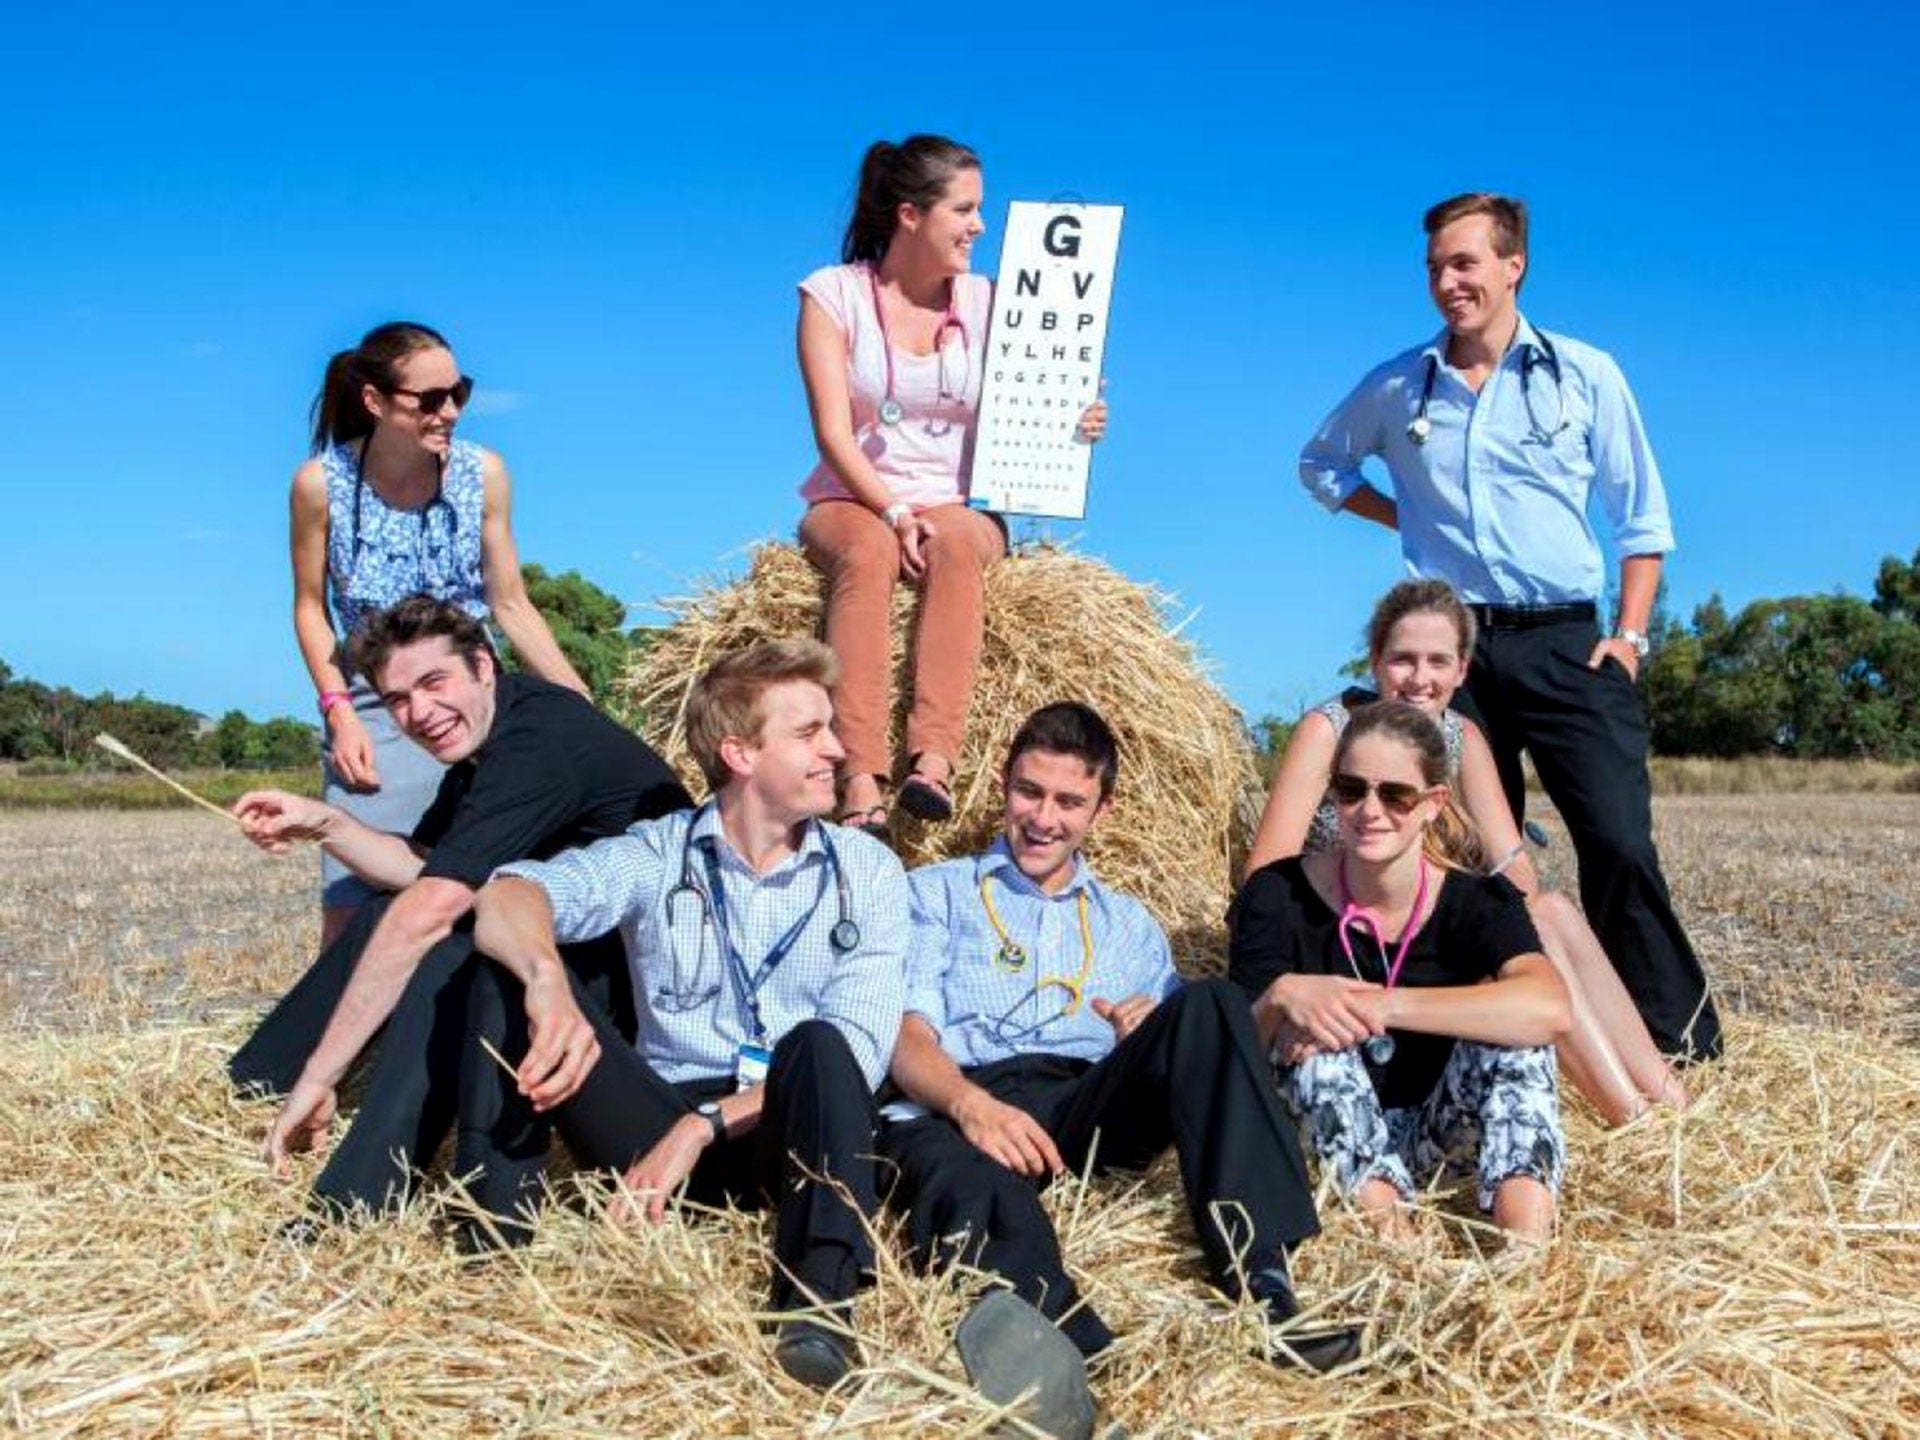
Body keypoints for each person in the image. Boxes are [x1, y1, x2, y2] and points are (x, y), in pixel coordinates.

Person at [467, 640, 1088, 1408]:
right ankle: (492, 1234)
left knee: (839, 1059)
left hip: (793, 1125)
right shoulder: (659, 853)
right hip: (654, 1126)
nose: (838, 749)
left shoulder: (867, 870)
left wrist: (702, 1126)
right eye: (810, 733)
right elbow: (506, 893)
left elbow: (861, 1053)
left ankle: (823, 1307)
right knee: (500, 965)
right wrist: (547, 982)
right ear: (739, 752)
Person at [1297, 192, 1721, 1062]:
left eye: (1464, 264)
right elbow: (1321, 466)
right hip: (1456, 655)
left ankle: (1676, 1039)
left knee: (1619, 841)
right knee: (1468, 850)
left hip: (1570, 640)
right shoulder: (1395, 386)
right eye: (1434, 268)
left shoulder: (1583, 374)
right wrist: (1409, 520)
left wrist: (1630, 638)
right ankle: (1487, 1039)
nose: (1447, 283)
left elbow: (1642, 521)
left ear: (1512, 265)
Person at [880, 701, 1363, 1397]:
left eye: (1069, 801)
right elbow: (905, 1036)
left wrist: (1146, 1036)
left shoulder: (1128, 923)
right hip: (967, 1097)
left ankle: (1265, 1286)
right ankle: (1072, 1351)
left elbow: (1188, 1048)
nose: (1044, 818)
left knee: (1213, 1003)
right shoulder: (935, 893)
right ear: (1003, 787)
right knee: (966, 1178)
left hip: (1082, 1099)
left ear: (1100, 812)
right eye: (1029, 792)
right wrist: (969, 1106)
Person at [227, 596, 690, 1223]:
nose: (420, 712)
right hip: (555, 930)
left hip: (646, 975)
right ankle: (251, 1092)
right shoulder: (486, 739)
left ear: (483, 664)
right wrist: (326, 823)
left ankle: (356, 1203)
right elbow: (426, 861)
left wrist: (324, 1075)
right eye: (396, 699)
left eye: (433, 682)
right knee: (381, 915)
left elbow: (433, 905)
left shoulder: (537, 743)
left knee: (449, 949)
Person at [1246, 580, 1685, 1124]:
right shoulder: (1329, 730)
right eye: (1403, 660)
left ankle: (1672, 1103)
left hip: (1423, 930)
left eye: (1438, 661)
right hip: (1342, 940)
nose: (1420, 679)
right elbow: (1266, 872)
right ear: (1375, 661)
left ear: (1462, 670)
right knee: (1534, 929)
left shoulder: (1461, 737)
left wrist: (1507, 921)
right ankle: (1631, 1120)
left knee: (1551, 912)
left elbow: (1511, 863)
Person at [795, 135, 1108, 835]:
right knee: (869, 553)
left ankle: (932, 763)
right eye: (964, 210)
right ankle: (858, 777)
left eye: (981, 209)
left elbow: (1038, 401)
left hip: (955, 499)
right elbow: (833, 436)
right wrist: (894, 509)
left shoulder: (997, 301)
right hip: (850, 496)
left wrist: (1075, 419)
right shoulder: (832, 295)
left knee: (959, 546)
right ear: (911, 215)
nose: (980, 226)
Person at [294, 321, 591, 949]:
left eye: (459, 392)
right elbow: (310, 610)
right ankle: (344, 1040)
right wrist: (340, 713)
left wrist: (574, 701)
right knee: (354, 898)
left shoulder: (485, 474)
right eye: (429, 399)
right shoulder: (321, 484)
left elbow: (510, 603)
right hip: (378, 696)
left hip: (472, 682)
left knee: (488, 882)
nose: (449, 411)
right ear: (376, 401)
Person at [1232, 701, 1572, 1243]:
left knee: (1518, 1040)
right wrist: (1279, 998)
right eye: (1351, 789)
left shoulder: (1478, 899)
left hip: (1439, 1133)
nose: (1370, 810)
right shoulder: (1275, 895)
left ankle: (1525, 1250)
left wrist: (1383, 1005)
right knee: (1312, 1039)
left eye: (1395, 794)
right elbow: (1227, 1052)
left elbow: (1551, 1009)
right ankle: (1397, 1245)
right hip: (1320, 1141)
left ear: (1433, 803)